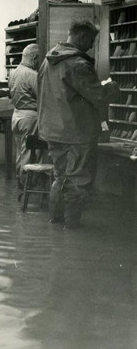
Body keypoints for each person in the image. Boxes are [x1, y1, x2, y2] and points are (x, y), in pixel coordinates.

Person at [38, 20, 120, 228]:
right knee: (78, 182)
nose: (91, 46)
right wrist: (112, 87)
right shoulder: (78, 65)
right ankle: (71, 227)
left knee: (60, 177)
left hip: (53, 131)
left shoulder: (48, 61)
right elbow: (98, 96)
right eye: (91, 41)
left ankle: (55, 222)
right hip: (77, 133)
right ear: (82, 37)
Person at [8, 43, 41, 187]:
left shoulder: (14, 73)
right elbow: (42, 97)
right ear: (34, 58)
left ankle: (20, 178)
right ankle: (27, 182)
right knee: (28, 151)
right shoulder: (32, 75)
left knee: (20, 151)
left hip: (16, 115)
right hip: (29, 116)